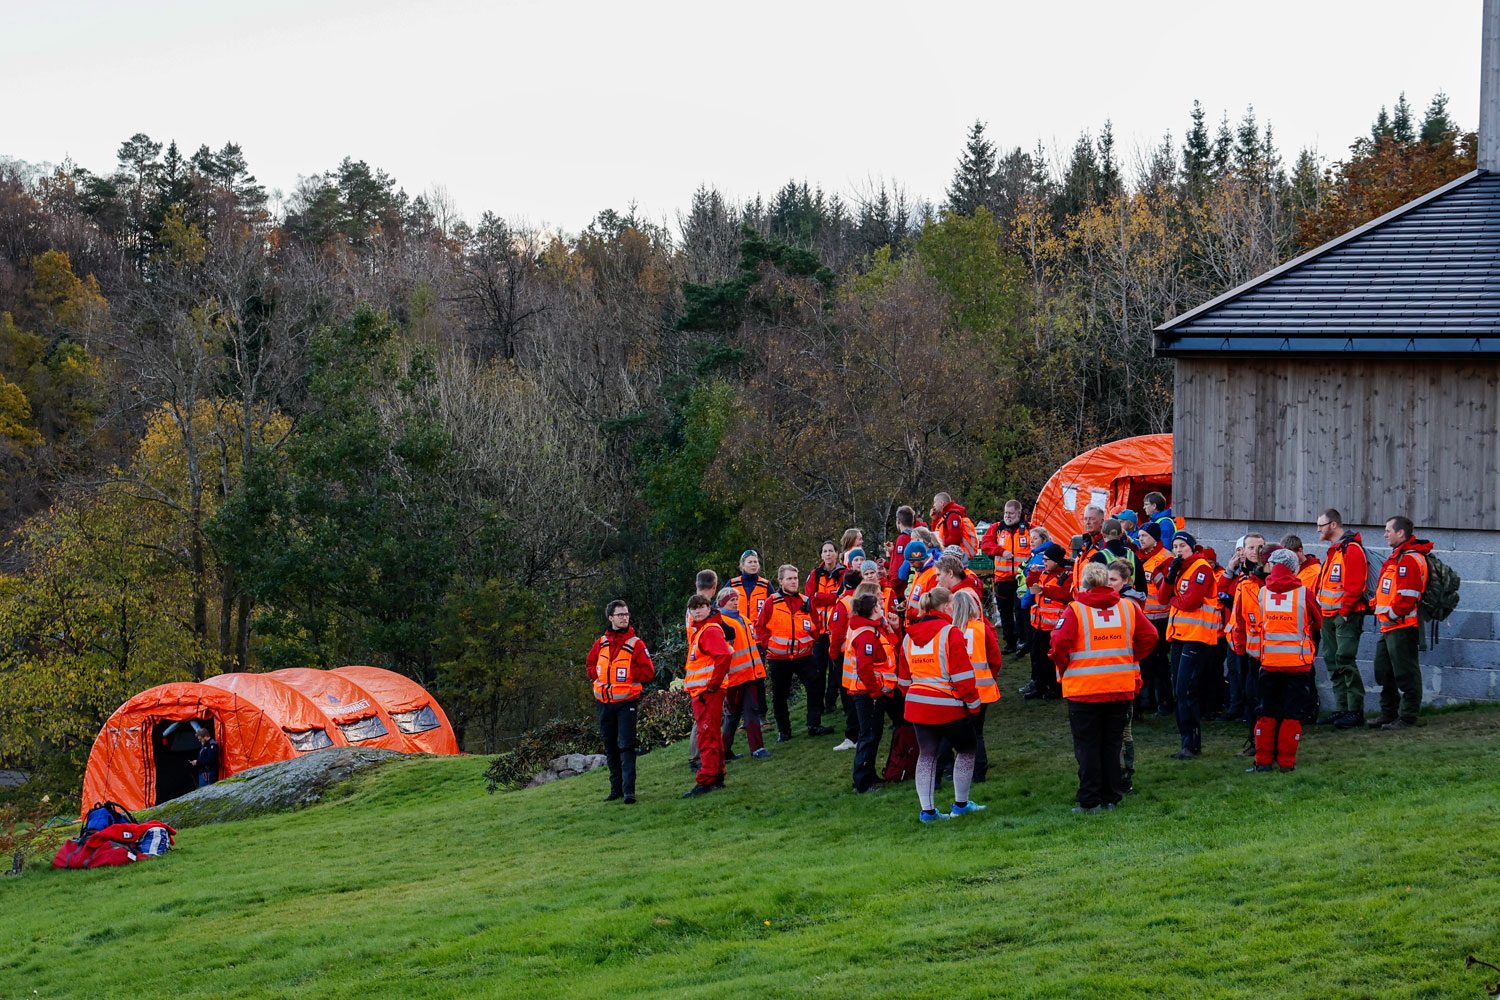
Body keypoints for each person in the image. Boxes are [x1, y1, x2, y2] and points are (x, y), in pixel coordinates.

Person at [1051, 562, 1157, 813]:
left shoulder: (1075, 610)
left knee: (1087, 746)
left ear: (1085, 584)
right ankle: (1111, 796)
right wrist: (1129, 658)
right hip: (1119, 686)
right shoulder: (1128, 607)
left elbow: (1058, 644)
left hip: (1084, 689)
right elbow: (1150, 636)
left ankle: (1089, 800)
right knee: (1112, 745)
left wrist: (1065, 666)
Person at [899, 587, 984, 821]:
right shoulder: (951, 633)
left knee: (927, 755)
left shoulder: (908, 636)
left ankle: (927, 811)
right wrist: (974, 706)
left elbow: (904, 680)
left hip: (917, 704)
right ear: (948, 606)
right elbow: (963, 678)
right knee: (967, 749)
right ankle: (961, 804)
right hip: (948, 705)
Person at [1249, 548, 1323, 773]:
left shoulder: (1262, 593)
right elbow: (1318, 622)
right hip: (1298, 664)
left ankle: (1262, 762)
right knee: (1292, 714)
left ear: (1271, 566)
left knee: (1266, 713)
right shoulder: (1304, 593)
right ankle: (1287, 763)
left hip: (1269, 662)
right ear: (1294, 568)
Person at [585, 600, 657, 803]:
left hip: (627, 702)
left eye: (626, 614)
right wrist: (598, 674)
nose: (624, 617)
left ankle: (629, 791)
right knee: (610, 746)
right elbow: (590, 665)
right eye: (620, 615)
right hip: (604, 703)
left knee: (626, 745)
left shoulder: (636, 643)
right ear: (611, 618)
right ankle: (615, 790)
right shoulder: (601, 642)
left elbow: (649, 672)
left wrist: (627, 675)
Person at [755, 564, 833, 741]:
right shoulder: (771, 602)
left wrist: (808, 642)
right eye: (789, 578)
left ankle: (814, 725)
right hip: (778, 657)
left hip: (804, 656)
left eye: (795, 578)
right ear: (780, 581)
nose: (793, 581)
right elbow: (760, 628)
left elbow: (817, 627)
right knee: (780, 695)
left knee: (815, 687)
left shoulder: (806, 601)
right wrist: (770, 646)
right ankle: (784, 731)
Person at [1369, 516, 1432, 731]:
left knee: (1406, 673)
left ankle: (1407, 717)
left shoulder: (1409, 559)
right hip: (1390, 626)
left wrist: (1392, 614)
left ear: (1401, 533)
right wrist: (1376, 603)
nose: (1385, 534)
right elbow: (1390, 589)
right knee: (1383, 671)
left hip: (1402, 627)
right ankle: (1388, 713)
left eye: (1388, 530)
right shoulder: (1398, 557)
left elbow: (1407, 596)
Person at [1165, 531, 1219, 760]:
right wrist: (1170, 576)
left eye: (1182, 546)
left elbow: (1190, 602)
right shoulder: (1181, 569)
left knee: (1186, 689)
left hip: (1197, 636)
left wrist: (1173, 600)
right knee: (1179, 689)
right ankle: (1186, 742)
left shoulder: (1201, 568)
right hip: (1180, 635)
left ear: (1191, 548)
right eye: (1175, 546)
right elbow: (1161, 596)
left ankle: (1192, 743)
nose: (1178, 550)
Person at [1315, 510, 1371, 728]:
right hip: (1329, 615)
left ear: (1334, 524)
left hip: (1344, 615)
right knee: (1332, 660)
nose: (1318, 529)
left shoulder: (1351, 549)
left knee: (1344, 659)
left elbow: (1355, 585)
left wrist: (1346, 612)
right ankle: (1342, 709)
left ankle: (1354, 711)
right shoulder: (1335, 550)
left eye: (1321, 525)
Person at [843, 588, 894, 793]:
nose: (882, 607)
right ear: (873, 609)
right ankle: (863, 782)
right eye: (880, 605)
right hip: (867, 693)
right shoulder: (866, 634)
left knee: (872, 734)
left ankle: (868, 776)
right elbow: (865, 667)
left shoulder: (868, 629)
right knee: (869, 735)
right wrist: (875, 692)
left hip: (867, 691)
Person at [948, 589, 1000, 782]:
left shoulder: (948, 629)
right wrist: (990, 676)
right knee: (977, 733)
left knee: (954, 732)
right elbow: (995, 658)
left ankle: (955, 770)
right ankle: (979, 772)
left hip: (956, 689)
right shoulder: (981, 629)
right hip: (982, 689)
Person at [716, 589, 772, 760]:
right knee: (733, 714)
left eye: (736, 599)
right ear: (722, 602)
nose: (735, 602)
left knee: (750, 711)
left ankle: (755, 748)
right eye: (731, 599)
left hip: (750, 674)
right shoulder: (721, 622)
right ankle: (726, 751)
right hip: (735, 677)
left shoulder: (744, 619)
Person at [1105, 559, 1146, 793]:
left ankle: (1125, 776)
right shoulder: (1124, 601)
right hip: (1117, 672)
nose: (1109, 584)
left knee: (1124, 730)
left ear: (1126, 581)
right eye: (1107, 579)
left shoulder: (1128, 604)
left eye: (1114, 580)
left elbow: (1143, 638)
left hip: (1127, 673)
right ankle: (1118, 774)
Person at [1220, 533, 1265, 723]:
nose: (1254, 552)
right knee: (1237, 673)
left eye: (1259, 548)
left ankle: (1252, 713)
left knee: (1254, 678)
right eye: (1250, 548)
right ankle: (1239, 708)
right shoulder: (1241, 573)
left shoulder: (1264, 573)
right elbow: (1220, 591)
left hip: (1257, 637)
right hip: (1236, 634)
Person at [981, 499, 1031, 655]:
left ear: (1019, 513)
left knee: (1020, 610)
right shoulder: (996, 528)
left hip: (1021, 580)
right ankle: (1010, 643)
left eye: (1010, 513)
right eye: (1005, 513)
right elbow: (985, 545)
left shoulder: (1030, 529)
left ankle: (1023, 641)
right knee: (1005, 612)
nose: (1007, 516)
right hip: (1002, 578)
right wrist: (1001, 551)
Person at [1023, 543, 1071, 699]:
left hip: (1054, 627)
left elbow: (1066, 596)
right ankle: (1039, 686)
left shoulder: (1066, 576)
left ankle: (1054, 688)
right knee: (1037, 657)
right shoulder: (1044, 573)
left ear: (1056, 560)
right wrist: (1032, 575)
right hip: (1039, 624)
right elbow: (1032, 587)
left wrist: (1045, 590)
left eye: (1047, 560)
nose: (1043, 562)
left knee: (1052, 660)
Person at [805, 540, 846, 717]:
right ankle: (819, 706)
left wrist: (820, 596)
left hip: (837, 630)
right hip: (820, 630)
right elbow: (809, 598)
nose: (828, 554)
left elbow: (841, 597)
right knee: (818, 670)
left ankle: (832, 703)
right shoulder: (815, 574)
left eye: (831, 551)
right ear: (821, 555)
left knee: (837, 668)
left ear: (837, 553)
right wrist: (828, 597)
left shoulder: (844, 573)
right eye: (825, 551)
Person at [1138, 522, 1174, 715]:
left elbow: (1168, 588)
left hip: (1161, 617)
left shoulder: (1165, 558)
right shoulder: (1142, 557)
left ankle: (1165, 702)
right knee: (1145, 660)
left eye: (1144, 535)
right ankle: (1147, 699)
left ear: (1154, 538)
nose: (1140, 539)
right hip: (1145, 617)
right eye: (1139, 536)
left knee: (1159, 662)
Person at [728, 551, 773, 623]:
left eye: (755, 562)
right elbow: (719, 605)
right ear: (742, 565)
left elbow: (775, 608)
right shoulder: (733, 584)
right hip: (738, 628)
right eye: (750, 562)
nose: (753, 564)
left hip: (758, 631)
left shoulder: (765, 585)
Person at [1072, 506, 1106, 591]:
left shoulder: (1104, 546)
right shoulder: (1085, 545)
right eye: (1085, 519)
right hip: (1080, 599)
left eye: (1091, 519)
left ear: (1102, 522)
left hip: (1093, 598)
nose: (1087, 522)